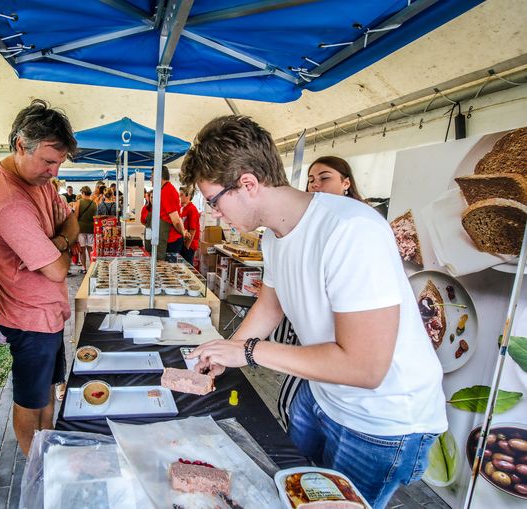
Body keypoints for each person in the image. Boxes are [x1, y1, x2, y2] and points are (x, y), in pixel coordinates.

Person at [182, 115, 446, 509]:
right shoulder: (275, 236)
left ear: (249, 184)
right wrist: (227, 350)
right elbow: (271, 303)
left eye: (213, 200)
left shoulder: (350, 230)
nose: (214, 213)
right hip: (322, 394)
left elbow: (365, 368)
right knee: (289, 492)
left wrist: (248, 352)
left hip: (381, 420)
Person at [0, 99, 78, 456]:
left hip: (47, 315)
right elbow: (57, 268)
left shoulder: (39, 181)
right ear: (21, 145)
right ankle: (34, 464)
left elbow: (73, 220)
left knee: (48, 388)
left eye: (58, 163)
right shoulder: (9, 201)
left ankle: (50, 448)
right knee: (29, 399)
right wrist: (63, 243)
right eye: (48, 161)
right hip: (29, 318)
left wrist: (59, 240)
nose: (53, 172)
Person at [277, 156, 365, 431]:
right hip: (320, 377)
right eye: (311, 180)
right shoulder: (294, 228)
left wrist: (250, 350)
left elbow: (362, 364)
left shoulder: (356, 226)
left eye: (324, 178)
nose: (315, 185)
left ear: (346, 182)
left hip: (356, 403)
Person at [151, 166, 186, 260]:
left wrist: (183, 233)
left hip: (171, 241)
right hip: (166, 238)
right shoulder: (165, 190)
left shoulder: (167, 191)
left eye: (152, 176)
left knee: (169, 271)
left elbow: (176, 220)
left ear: (159, 177)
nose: (151, 180)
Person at [75, 186, 96, 271]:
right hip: (91, 228)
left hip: (81, 228)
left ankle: (84, 268)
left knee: (82, 249)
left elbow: (76, 216)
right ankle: (91, 267)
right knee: (90, 249)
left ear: (83, 193)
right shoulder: (94, 203)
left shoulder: (79, 202)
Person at [179, 186, 200, 265]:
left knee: (187, 266)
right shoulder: (183, 208)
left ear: (188, 196)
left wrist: (187, 245)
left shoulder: (192, 209)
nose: (179, 197)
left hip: (190, 244)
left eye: (181, 195)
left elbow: (193, 229)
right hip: (184, 242)